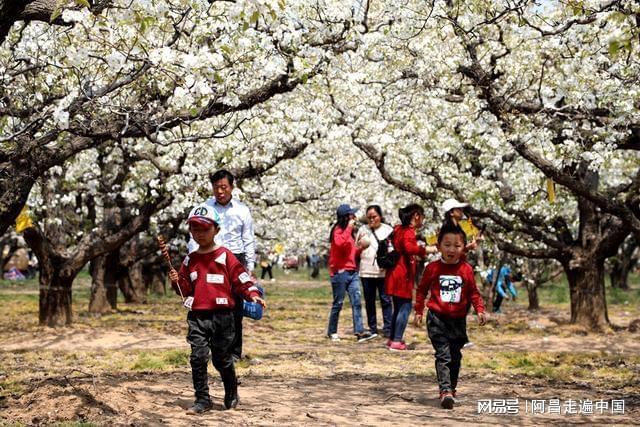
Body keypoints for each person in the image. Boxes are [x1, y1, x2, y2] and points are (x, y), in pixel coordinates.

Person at [169, 204, 266, 414]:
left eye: (205, 229)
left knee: (221, 358)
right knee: (198, 357)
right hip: (197, 316)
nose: (200, 234)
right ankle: (202, 399)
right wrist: (176, 281)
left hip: (224, 317)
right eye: (195, 229)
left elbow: (241, 279)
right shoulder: (190, 259)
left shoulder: (225, 255)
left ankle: (231, 389)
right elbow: (184, 289)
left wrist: (253, 294)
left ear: (217, 230)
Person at [414, 223, 487, 409]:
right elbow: (421, 291)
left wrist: (480, 309)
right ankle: (445, 390)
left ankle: (451, 389)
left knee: (455, 356)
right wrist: (418, 311)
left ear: (464, 248)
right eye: (447, 245)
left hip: (458, 320)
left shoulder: (466, 270)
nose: (452, 249)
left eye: (457, 245)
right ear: (438, 247)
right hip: (437, 318)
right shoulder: (432, 268)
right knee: (443, 355)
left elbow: (474, 293)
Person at [188, 169, 256, 361]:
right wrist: (194, 258)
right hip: (210, 257)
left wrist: (249, 267)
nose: (220, 191)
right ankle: (210, 347)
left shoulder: (242, 210)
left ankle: (234, 352)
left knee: (235, 306)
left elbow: (248, 238)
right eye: (216, 187)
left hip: (235, 257)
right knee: (209, 303)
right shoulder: (204, 208)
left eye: (224, 187)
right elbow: (194, 236)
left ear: (232, 187)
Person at [385, 204, 438, 351]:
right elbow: (409, 249)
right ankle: (396, 340)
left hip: (394, 272)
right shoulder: (408, 232)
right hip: (402, 274)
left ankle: (392, 339)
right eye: (422, 217)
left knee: (398, 307)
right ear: (416, 216)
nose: (423, 220)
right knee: (405, 306)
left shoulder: (397, 229)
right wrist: (425, 250)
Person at [326, 203, 374, 343]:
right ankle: (332, 331)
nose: (354, 216)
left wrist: (361, 248)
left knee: (356, 301)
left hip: (352, 272)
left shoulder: (349, 233)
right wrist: (348, 228)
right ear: (346, 217)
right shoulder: (338, 230)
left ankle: (359, 332)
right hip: (340, 272)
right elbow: (340, 244)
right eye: (352, 214)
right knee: (338, 303)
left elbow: (351, 252)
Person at [355, 205, 393, 338]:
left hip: (383, 271)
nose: (371, 219)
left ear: (380, 216)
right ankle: (373, 328)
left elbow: (393, 250)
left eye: (374, 216)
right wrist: (361, 245)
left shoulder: (388, 230)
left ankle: (388, 328)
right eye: (369, 217)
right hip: (366, 271)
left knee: (386, 300)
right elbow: (355, 250)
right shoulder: (362, 229)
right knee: (369, 300)